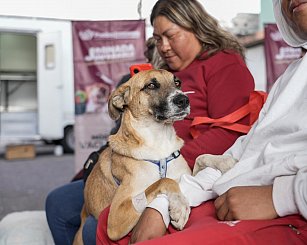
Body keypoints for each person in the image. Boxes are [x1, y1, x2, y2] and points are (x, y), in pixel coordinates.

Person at [96, 0, 307, 244]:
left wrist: (280, 197)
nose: (163, 47)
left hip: (270, 202)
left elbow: (229, 134)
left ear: (195, 27)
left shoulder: (222, 65)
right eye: (157, 39)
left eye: (171, 35)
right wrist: (161, 204)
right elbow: (246, 149)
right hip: (219, 184)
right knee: (103, 224)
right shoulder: (289, 77)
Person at [45, 37, 166, 245]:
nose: (162, 47)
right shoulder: (131, 82)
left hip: (151, 166)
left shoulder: (175, 88)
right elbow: (119, 133)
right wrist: (87, 172)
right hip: (117, 160)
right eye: (156, 41)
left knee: (93, 226)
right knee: (57, 202)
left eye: (166, 38)